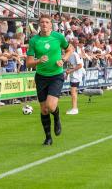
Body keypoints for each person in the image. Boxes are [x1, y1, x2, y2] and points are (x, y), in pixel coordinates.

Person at [26, 14, 74, 146]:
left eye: (47, 22)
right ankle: (48, 137)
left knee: (51, 106)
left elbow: (70, 49)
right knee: (44, 110)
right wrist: (38, 60)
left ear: (51, 25)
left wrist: (63, 59)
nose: (44, 24)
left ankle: (57, 117)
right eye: (42, 22)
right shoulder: (34, 40)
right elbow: (29, 63)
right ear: (39, 25)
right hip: (41, 77)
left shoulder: (58, 37)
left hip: (56, 75)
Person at [66, 40, 85, 115]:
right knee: (73, 92)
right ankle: (74, 108)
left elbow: (80, 65)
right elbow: (72, 65)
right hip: (73, 75)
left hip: (76, 76)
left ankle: (74, 108)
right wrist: (68, 72)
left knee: (73, 92)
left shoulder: (74, 55)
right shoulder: (70, 55)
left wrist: (71, 71)